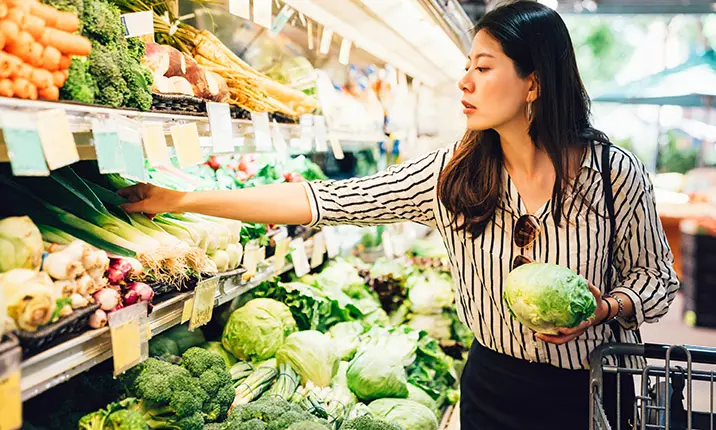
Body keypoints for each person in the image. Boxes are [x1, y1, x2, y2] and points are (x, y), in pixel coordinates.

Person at [118, 1, 678, 428]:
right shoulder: (453, 176)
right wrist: (180, 200)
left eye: (483, 68)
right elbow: (323, 202)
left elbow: (656, 280)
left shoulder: (611, 173)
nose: (465, 82)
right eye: (466, 67)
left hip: (592, 391)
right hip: (494, 386)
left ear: (533, 82)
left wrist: (604, 306)